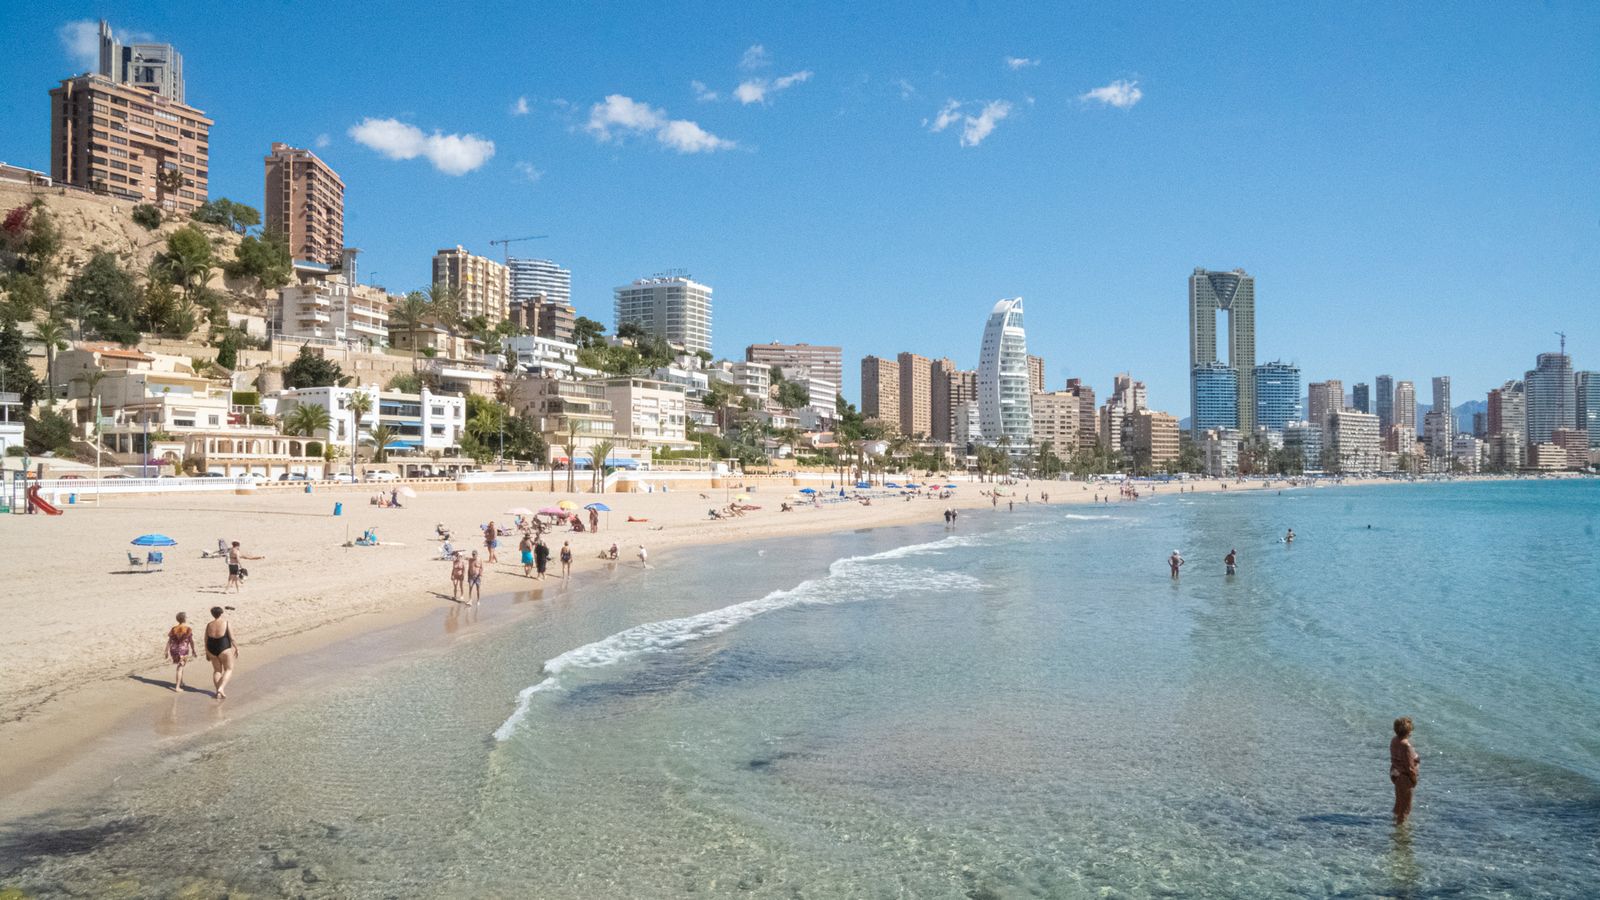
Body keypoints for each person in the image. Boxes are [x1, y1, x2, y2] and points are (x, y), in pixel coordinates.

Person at [1390, 717, 1420, 825]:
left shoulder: (1394, 740)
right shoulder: (1406, 746)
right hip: (1404, 776)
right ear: (1408, 731)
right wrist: (1414, 779)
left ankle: (1394, 820)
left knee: (1398, 801)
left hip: (1395, 773)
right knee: (1406, 807)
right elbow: (1409, 767)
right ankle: (1401, 833)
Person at [204, 606, 238, 700]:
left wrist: (207, 651)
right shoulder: (226, 623)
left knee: (217, 671)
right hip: (224, 647)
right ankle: (221, 688)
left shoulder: (209, 625)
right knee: (229, 669)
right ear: (221, 613)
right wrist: (236, 648)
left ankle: (218, 692)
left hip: (211, 648)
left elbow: (206, 639)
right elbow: (232, 638)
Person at [165, 612, 196, 692]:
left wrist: (166, 650)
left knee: (181, 666)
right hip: (183, 650)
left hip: (173, 649)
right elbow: (191, 641)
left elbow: (169, 640)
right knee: (180, 667)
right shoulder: (188, 629)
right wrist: (193, 650)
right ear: (185, 619)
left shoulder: (173, 629)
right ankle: (177, 687)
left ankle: (181, 682)